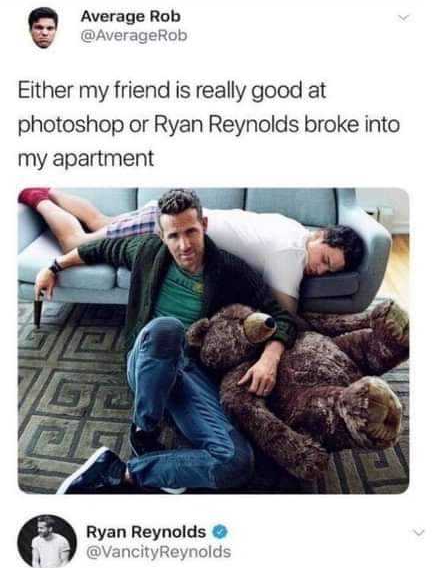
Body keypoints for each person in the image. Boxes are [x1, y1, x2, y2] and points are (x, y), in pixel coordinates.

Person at [34, 189, 298, 494]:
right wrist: (53, 267)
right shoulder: (146, 251)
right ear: (161, 235)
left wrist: (269, 358)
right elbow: (97, 249)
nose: (184, 245)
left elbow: (281, 315)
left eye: (191, 232)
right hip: (147, 358)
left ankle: (123, 473)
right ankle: (144, 430)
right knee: (167, 329)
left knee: (237, 462)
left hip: (189, 372)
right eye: (174, 236)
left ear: (205, 225)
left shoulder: (229, 269)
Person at [18, 188, 364, 314]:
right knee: (79, 242)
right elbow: (287, 312)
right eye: (325, 260)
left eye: (330, 272)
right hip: (173, 225)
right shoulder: (293, 251)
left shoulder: (294, 228)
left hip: (178, 219)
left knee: (99, 220)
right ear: (320, 237)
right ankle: (37, 197)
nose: (319, 270)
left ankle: (49, 190)